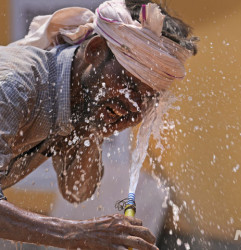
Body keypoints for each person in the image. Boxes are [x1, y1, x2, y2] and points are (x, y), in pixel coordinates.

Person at [0, 0, 197, 249]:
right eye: (128, 82)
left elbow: (76, 191)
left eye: (147, 99)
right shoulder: (14, 87)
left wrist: (92, 128)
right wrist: (74, 234)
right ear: (94, 49)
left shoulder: (79, 102)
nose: (133, 106)